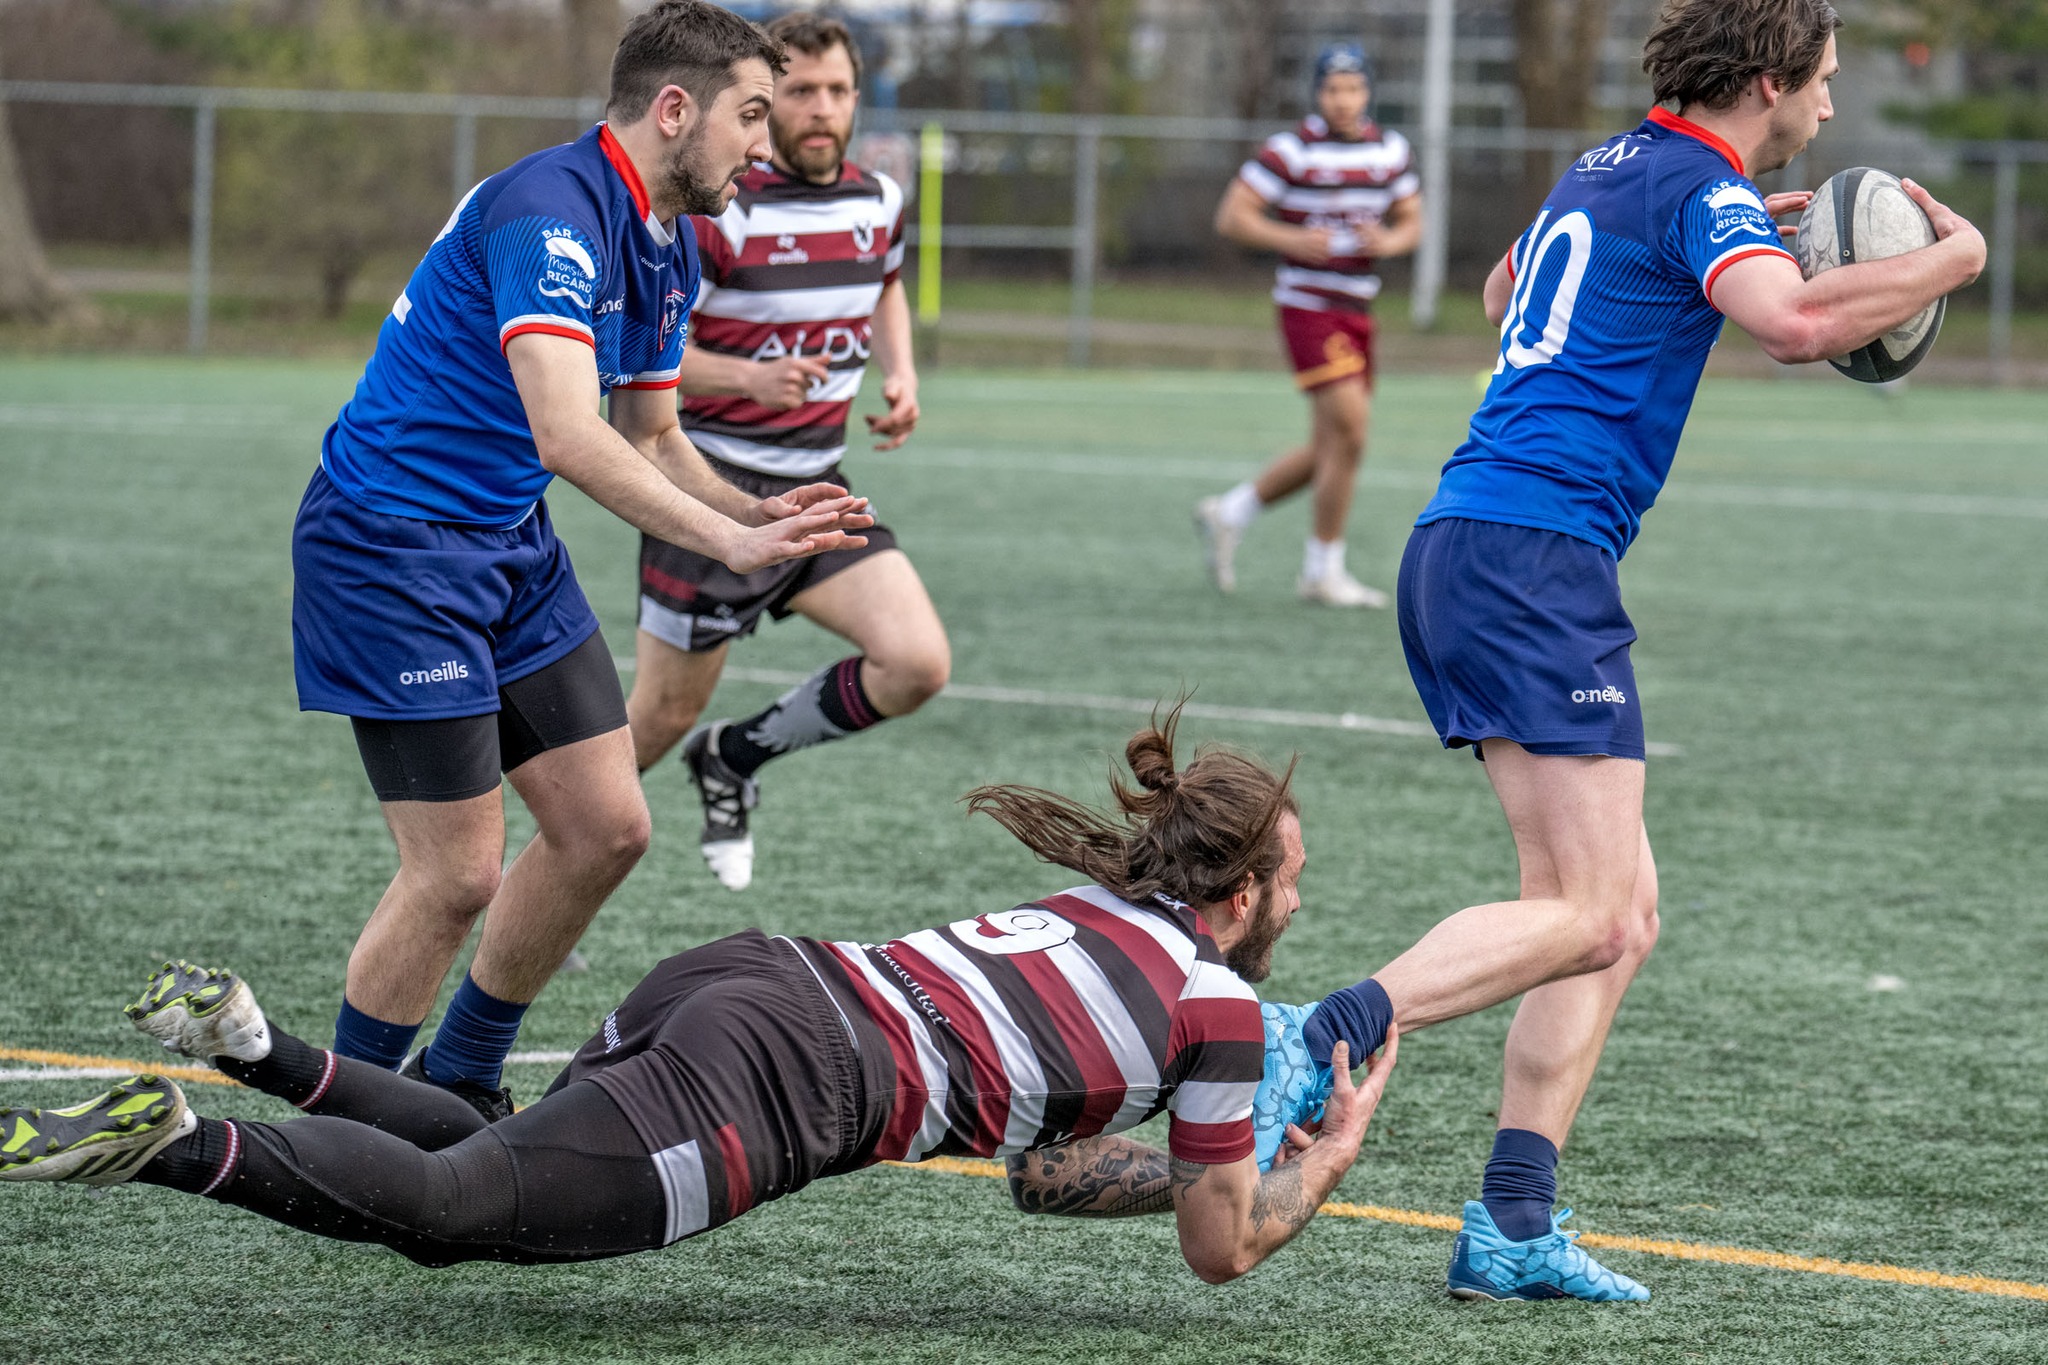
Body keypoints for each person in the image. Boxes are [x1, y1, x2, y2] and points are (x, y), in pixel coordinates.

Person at [1252, 0, 1985, 1303]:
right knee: (1586, 907)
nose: (1827, 107)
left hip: (1477, 544)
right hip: (1529, 559)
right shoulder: (1703, 191)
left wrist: (1749, 230)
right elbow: (1800, 328)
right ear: (1769, 79)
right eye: (1822, 83)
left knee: (1617, 917)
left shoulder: (1605, 167)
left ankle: (1511, 1222)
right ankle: (1323, 1034)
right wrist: (1949, 260)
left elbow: (1499, 291)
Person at [2, 717, 1398, 1286]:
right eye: (1294, 886)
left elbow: (1045, 1174)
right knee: (453, 1221)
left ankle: (256, 1048)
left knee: (501, 1144)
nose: (1301, 910)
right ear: (1241, 890)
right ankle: (178, 1138)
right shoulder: (1212, 1004)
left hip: (755, 977)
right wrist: (1315, 1161)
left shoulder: (1101, 911)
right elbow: (1226, 1251)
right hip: (792, 1079)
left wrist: (1192, 1161)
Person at [290, 1, 873, 1117]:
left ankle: (461, 1078)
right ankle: (345, 1128)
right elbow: (569, 432)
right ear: (672, 110)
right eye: (750, 113)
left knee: (606, 828)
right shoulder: (549, 213)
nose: (764, 140)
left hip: (507, 542)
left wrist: (758, 508)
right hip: (390, 547)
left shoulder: (663, 239)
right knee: (455, 873)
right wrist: (732, 538)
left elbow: (653, 434)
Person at [627, 11, 946, 894]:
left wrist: (903, 373)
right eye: (798, 92)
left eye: (838, 91)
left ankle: (733, 756)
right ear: (763, 105)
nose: (821, 109)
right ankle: (537, 866)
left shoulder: (877, 200)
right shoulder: (721, 211)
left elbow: (884, 286)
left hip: (816, 490)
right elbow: (643, 356)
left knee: (917, 663)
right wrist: (746, 377)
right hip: (709, 498)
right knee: (652, 718)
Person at [1196, 41, 1423, 607]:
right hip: (1307, 306)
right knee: (1351, 429)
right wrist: (1291, 237)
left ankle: (1232, 512)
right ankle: (1322, 570)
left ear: (1367, 92)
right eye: (1331, 89)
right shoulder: (1289, 152)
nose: (1343, 100)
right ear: (1317, 94)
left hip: (1358, 309)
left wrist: (1389, 241)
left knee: (1334, 445)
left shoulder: (1390, 151)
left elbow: (1411, 221)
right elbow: (1233, 216)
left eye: (1352, 88)